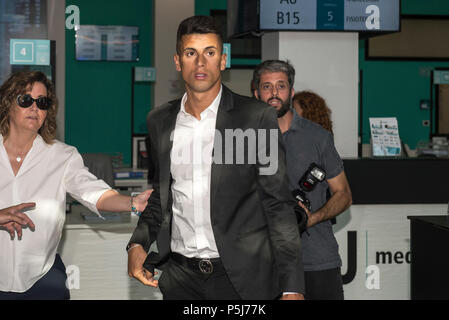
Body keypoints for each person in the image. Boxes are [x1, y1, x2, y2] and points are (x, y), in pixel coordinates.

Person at [127, 16, 305, 300]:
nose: (200, 63)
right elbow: (161, 198)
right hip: (180, 278)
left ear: (223, 60)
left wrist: (292, 285)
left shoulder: (256, 118)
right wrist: (137, 244)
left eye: (209, 53)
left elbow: (278, 206)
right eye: (190, 53)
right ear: (177, 62)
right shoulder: (159, 121)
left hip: (242, 281)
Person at [0, 71, 152, 300]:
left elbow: (94, 193)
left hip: (41, 278)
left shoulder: (62, 156)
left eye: (42, 102)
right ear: (7, 103)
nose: (34, 108)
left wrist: (133, 203)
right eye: (25, 100)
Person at [252, 60, 352, 300]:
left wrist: (311, 218)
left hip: (316, 260)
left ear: (291, 92)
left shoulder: (318, 138)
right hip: (262, 263)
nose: (274, 93)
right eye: (267, 86)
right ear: (256, 93)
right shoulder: (242, 140)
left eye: (281, 86)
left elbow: (344, 194)